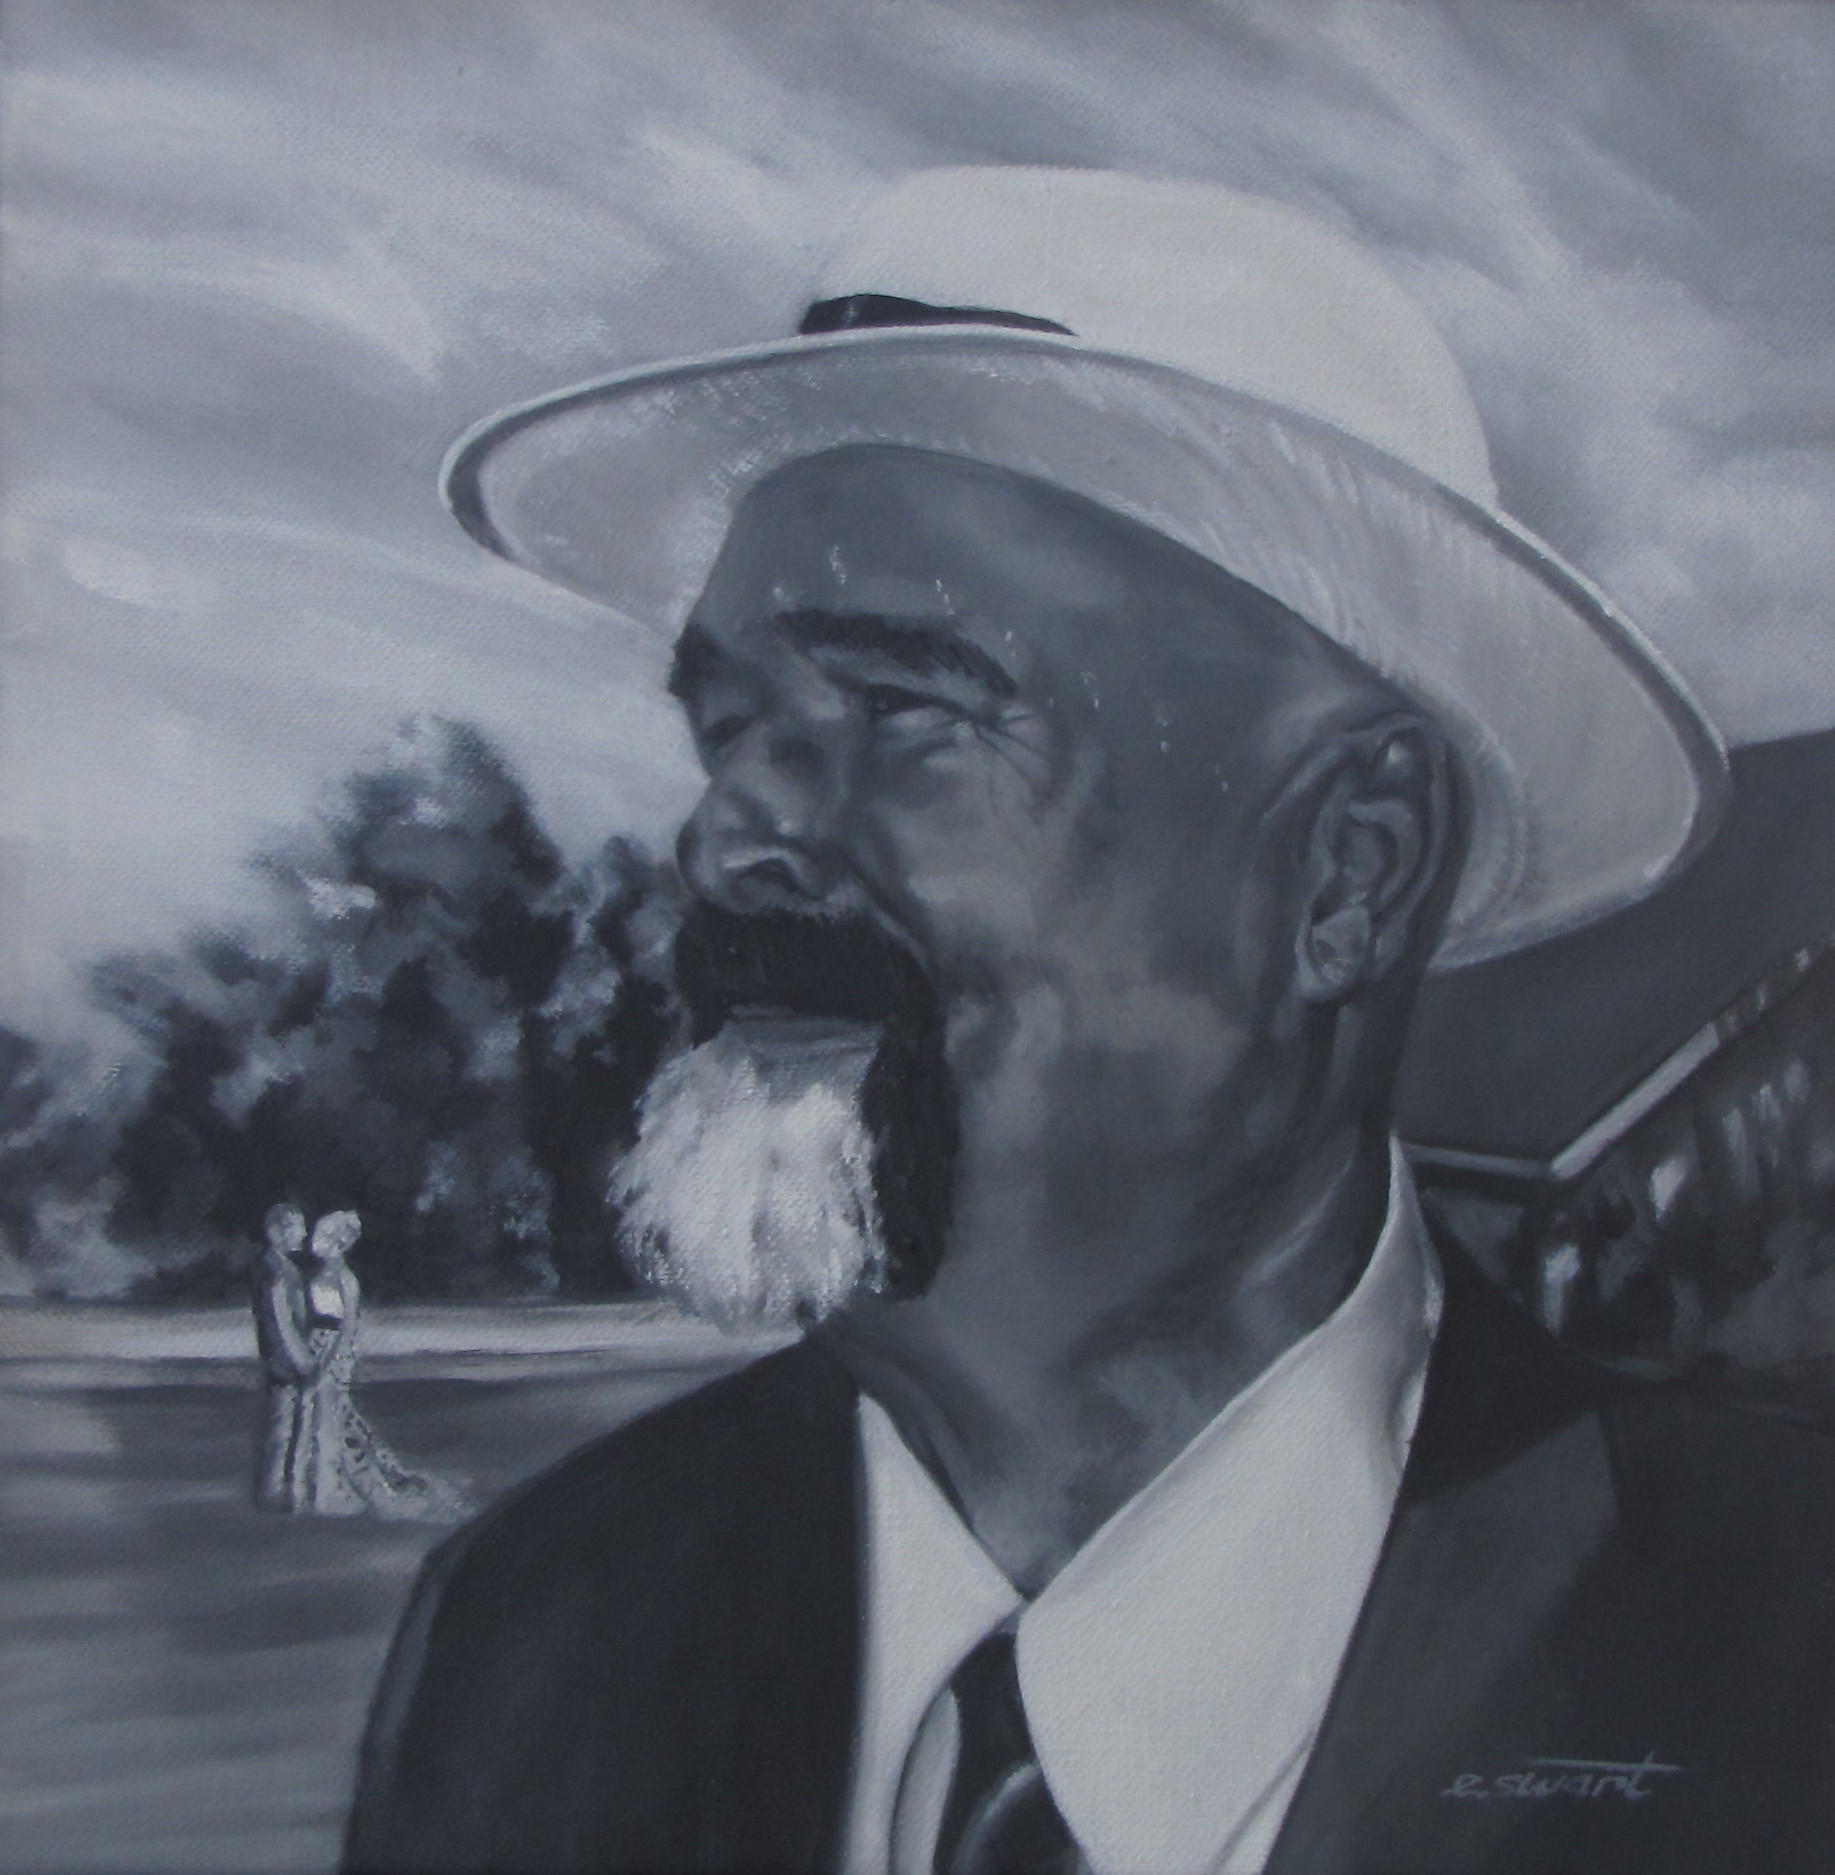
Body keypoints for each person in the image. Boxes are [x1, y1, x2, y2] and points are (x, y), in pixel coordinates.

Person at [345, 171, 1834, 1873]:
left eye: (902, 705)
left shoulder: (1783, 1649)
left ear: (1351, 869)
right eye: (732, 726)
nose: (726, 835)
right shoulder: (532, 1636)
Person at [252, 1206, 466, 1521]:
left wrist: (333, 1359)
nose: (312, 1239)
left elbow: (349, 1324)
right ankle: (302, 1490)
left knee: (327, 1415)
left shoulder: (344, 1279)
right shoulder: (308, 1274)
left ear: (337, 1243)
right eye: (312, 1232)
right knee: (309, 1419)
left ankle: (327, 1490)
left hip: (330, 1352)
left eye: (321, 1235)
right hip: (313, 1349)